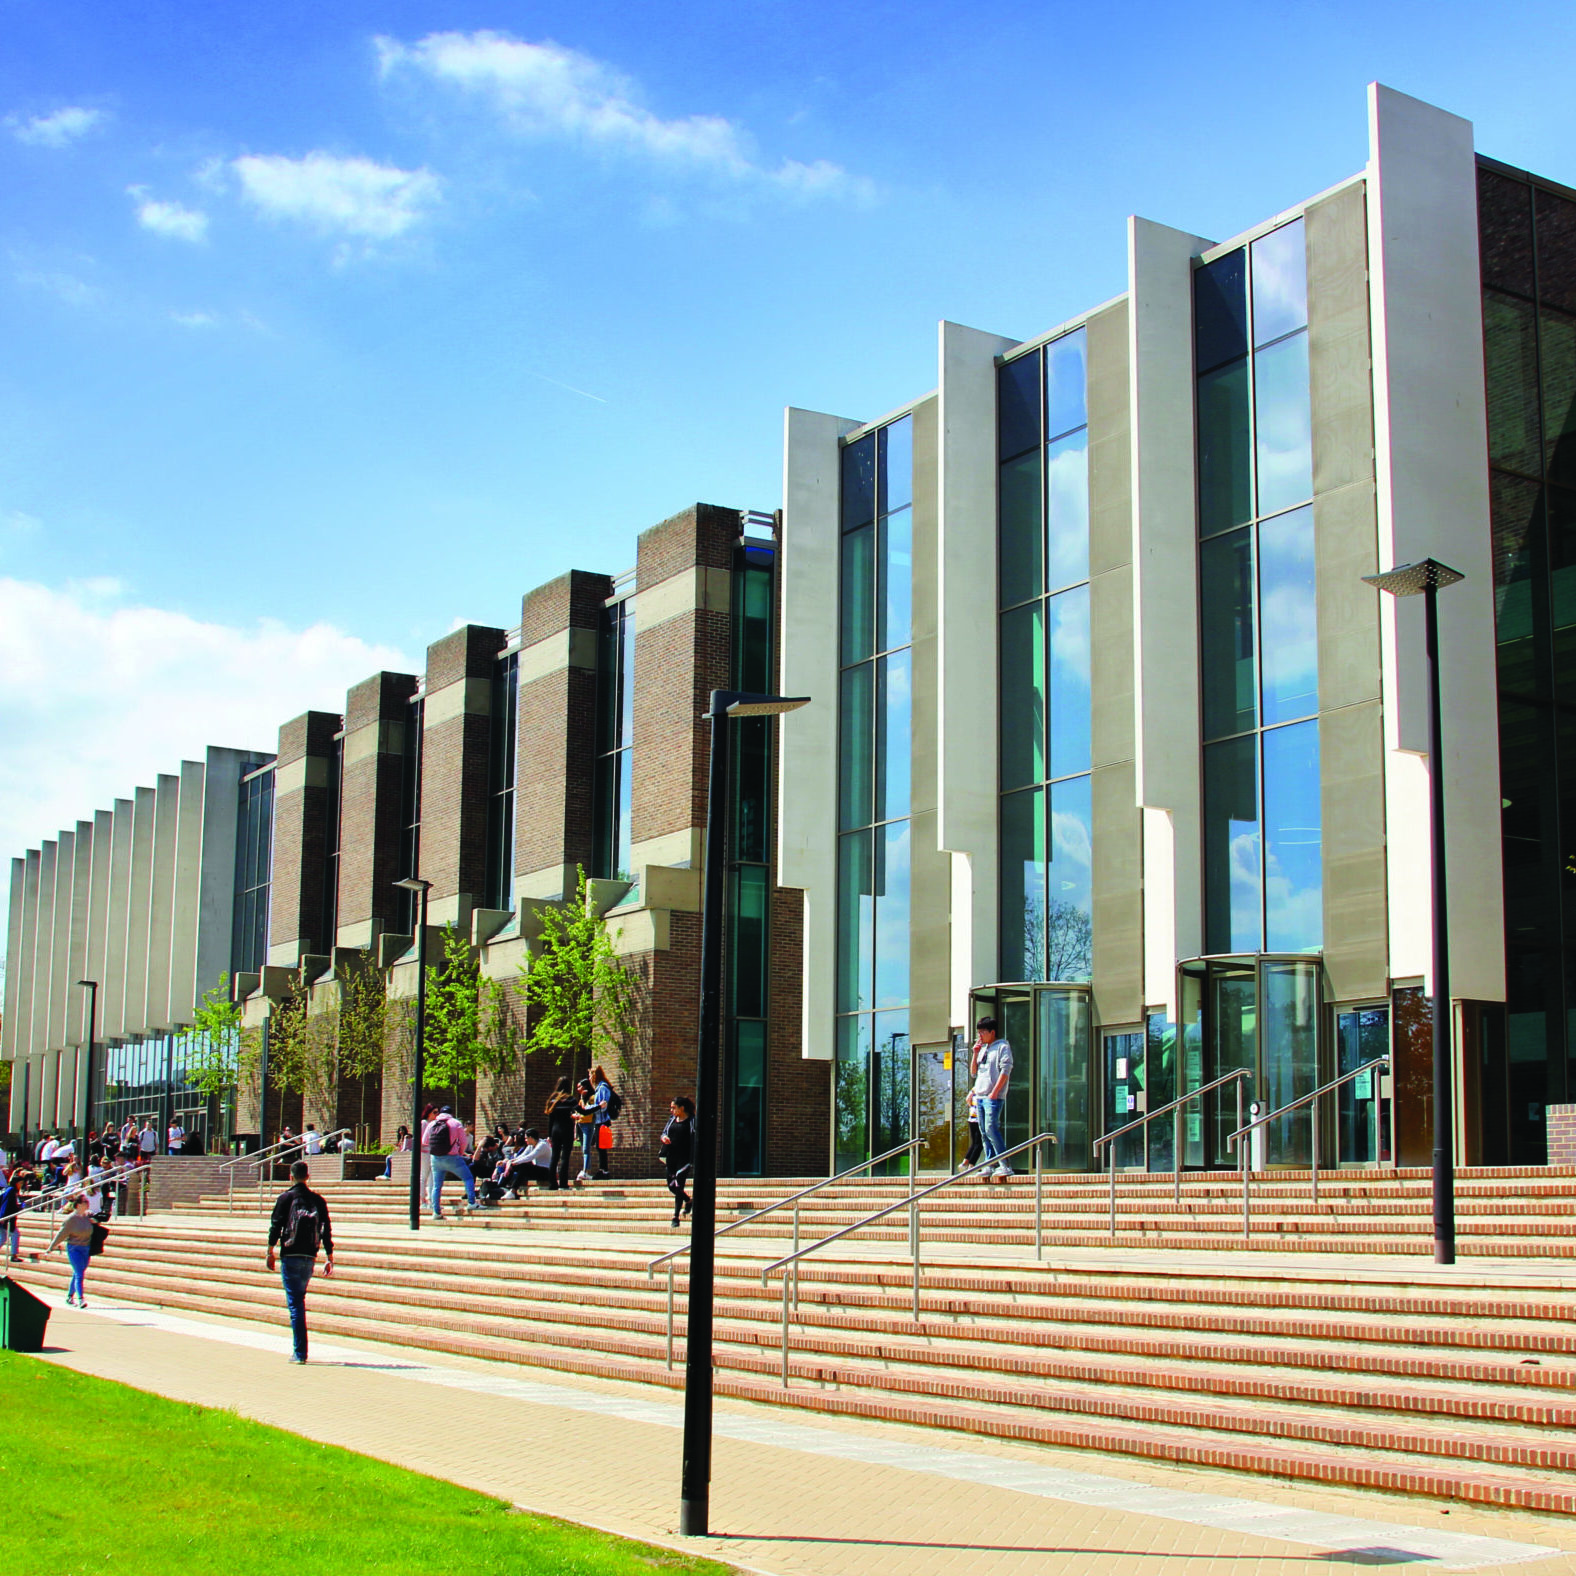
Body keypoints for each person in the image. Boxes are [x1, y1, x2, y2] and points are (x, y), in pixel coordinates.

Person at [265, 1160, 334, 1364]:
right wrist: (329, 1256)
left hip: (290, 1254)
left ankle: (300, 1352)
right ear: (308, 1177)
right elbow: (326, 1229)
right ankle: (300, 1350)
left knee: (295, 1304)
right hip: (310, 1256)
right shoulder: (318, 1200)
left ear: (291, 1177)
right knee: (299, 1300)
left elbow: (276, 1225)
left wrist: (270, 1250)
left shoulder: (285, 1198)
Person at [971, 1016, 1015, 1181]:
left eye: (983, 1032)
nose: (980, 1035)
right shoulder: (983, 1049)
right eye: (979, 1032)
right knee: (983, 1132)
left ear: (992, 1032)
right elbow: (974, 1072)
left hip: (992, 1096)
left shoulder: (1002, 1046)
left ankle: (1005, 1164)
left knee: (991, 1128)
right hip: (980, 1096)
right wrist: (975, 1053)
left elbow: (1006, 1070)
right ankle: (989, 1164)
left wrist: (995, 1092)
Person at [424, 1105, 480, 1218]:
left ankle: (436, 1212)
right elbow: (463, 1142)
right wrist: (460, 1153)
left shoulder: (432, 1124)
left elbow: (425, 1141)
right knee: (468, 1178)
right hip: (452, 1157)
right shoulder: (456, 1123)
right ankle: (471, 1203)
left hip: (436, 1158)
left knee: (437, 1186)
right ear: (451, 1113)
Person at [49, 1194, 103, 1308]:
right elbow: (61, 1234)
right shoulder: (70, 1219)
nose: (87, 1204)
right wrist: (52, 1246)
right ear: (78, 1205)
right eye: (84, 1202)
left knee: (78, 1272)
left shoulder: (88, 1216)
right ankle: (81, 1299)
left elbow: (100, 1222)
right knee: (79, 1274)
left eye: (87, 1202)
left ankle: (69, 1296)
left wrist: (96, 1221)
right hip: (74, 1248)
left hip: (86, 1248)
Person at [660, 1096, 694, 1228]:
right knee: (671, 1186)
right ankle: (688, 1200)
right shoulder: (671, 1120)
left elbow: (695, 1136)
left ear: (682, 1108)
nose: (671, 1110)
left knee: (679, 1186)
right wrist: (664, 1138)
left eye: (674, 1108)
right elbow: (664, 1133)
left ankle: (675, 1216)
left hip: (684, 1157)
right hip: (671, 1156)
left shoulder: (691, 1121)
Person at [497, 1130, 554, 1197]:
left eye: (526, 1138)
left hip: (546, 1172)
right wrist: (510, 1162)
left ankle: (512, 1191)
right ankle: (501, 1187)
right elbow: (522, 1156)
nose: (525, 1140)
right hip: (538, 1170)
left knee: (524, 1166)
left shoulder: (542, 1145)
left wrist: (514, 1163)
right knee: (515, 1166)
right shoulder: (531, 1145)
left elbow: (529, 1157)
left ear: (530, 1138)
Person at [545, 1079, 576, 1191]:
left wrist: (549, 1135)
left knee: (554, 1157)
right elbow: (577, 1111)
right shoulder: (570, 1099)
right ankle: (563, 1184)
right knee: (565, 1157)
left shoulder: (553, 1099)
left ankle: (552, 1184)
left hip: (555, 1129)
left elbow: (551, 1119)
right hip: (567, 1128)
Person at [589, 1064, 616, 1181]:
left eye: (590, 1075)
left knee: (601, 1146)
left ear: (595, 1075)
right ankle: (603, 1169)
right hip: (600, 1120)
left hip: (602, 1120)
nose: (589, 1078)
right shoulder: (599, 1087)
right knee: (599, 1146)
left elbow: (603, 1105)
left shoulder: (602, 1088)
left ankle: (604, 1170)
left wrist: (591, 1108)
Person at [0, 1169, 22, 1263]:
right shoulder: (11, 1190)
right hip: (7, 1218)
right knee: (15, 1234)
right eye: (20, 1183)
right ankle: (14, 1255)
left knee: (3, 1238)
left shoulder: (6, 1190)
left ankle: (14, 1255)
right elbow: (8, 1205)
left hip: (3, 1217)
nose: (21, 1185)